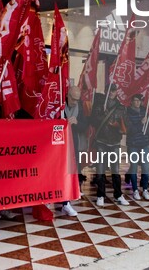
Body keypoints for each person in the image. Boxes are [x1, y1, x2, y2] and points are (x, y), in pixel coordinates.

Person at [90, 84, 129, 207]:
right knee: (100, 170)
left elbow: (126, 125)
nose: (111, 92)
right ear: (106, 91)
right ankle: (100, 195)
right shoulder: (99, 104)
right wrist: (102, 114)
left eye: (113, 90)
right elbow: (93, 121)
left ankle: (118, 195)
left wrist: (118, 126)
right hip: (101, 141)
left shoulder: (121, 108)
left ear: (116, 92)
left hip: (115, 143)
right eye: (109, 90)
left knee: (115, 170)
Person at [59, 86, 88, 216]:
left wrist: (76, 122)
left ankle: (66, 203)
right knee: (58, 173)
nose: (75, 102)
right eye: (73, 99)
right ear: (68, 95)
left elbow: (84, 126)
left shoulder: (79, 107)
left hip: (72, 144)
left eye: (77, 99)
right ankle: (57, 200)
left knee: (69, 172)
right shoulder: (59, 104)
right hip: (58, 144)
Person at [125, 93, 149, 201]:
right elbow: (129, 130)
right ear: (132, 101)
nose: (138, 103)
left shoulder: (144, 111)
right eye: (136, 100)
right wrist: (141, 123)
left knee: (145, 167)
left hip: (144, 143)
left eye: (139, 101)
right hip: (133, 144)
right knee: (133, 167)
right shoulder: (127, 112)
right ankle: (135, 190)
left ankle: (145, 189)